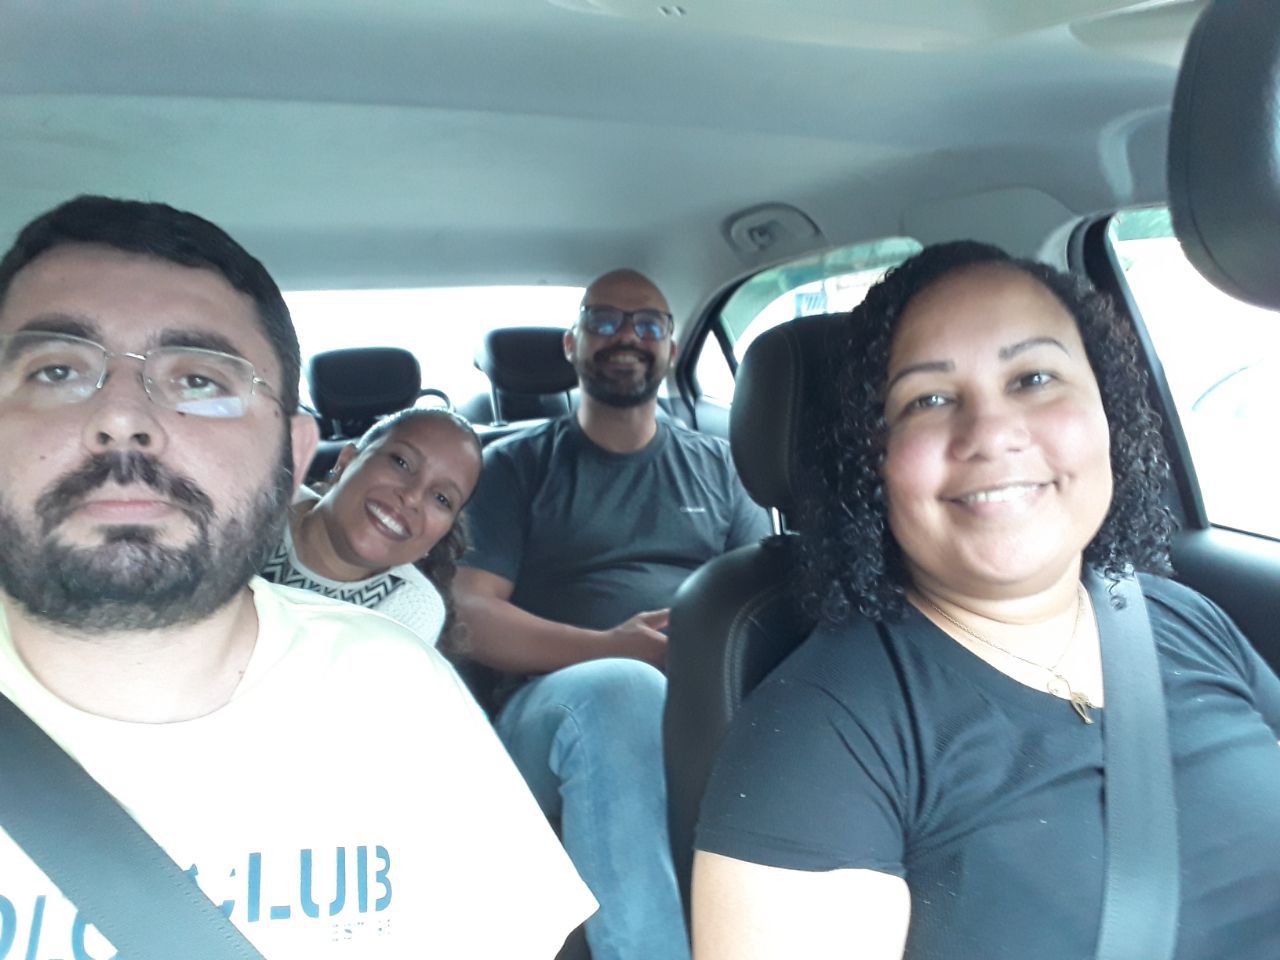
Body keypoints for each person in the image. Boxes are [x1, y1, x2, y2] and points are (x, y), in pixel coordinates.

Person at [0, 195, 595, 959]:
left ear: (290, 453)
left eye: (199, 381)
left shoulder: (396, 679)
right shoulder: (295, 531)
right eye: (57, 371)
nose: (122, 417)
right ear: (334, 464)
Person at [692, 241, 1280, 959]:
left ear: (1108, 411)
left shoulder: (1185, 619)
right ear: (874, 458)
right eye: (929, 399)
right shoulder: (817, 736)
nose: (993, 434)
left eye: (1034, 378)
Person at [455, 268, 771, 960]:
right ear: (571, 344)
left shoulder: (722, 468)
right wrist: (612, 649)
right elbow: (469, 615)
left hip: (702, 698)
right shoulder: (513, 468)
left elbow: (764, 605)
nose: (626, 336)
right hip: (552, 710)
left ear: (671, 348)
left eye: (648, 324)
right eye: (604, 321)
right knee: (620, 691)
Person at [260, 407, 483, 652]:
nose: (412, 497)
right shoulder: (259, 503)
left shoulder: (411, 607)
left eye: (442, 499)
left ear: (437, 538)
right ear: (346, 461)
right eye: (401, 463)